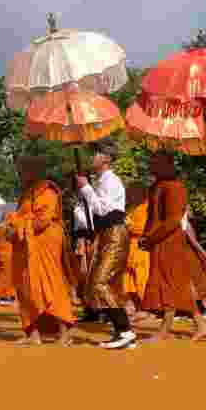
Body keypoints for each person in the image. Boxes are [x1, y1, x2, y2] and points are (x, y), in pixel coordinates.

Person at [2, 156, 76, 346]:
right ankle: (33, 334)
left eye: (23, 169)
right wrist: (12, 227)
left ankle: (64, 331)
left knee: (50, 283)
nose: (20, 174)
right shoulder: (27, 192)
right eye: (19, 170)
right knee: (27, 286)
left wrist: (17, 226)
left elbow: (43, 219)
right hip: (26, 244)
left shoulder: (47, 190)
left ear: (35, 170)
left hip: (45, 241)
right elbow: (19, 217)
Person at [138, 152, 206, 343]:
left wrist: (151, 238)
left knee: (169, 283)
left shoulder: (175, 187)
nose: (151, 166)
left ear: (168, 164)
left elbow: (173, 220)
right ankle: (200, 325)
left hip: (170, 242)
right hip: (159, 241)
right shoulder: (157, 186)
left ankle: (165, 330)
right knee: (174, 283)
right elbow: (152, 216)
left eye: (156, 162)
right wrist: (146, 237)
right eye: (151, 161)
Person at [78, 140, 135, 350]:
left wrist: (86, 189)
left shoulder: (110, 180)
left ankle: (125, 330)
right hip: (106, 234)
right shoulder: (101, 180)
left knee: (100, 283)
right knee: (103, 283)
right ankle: (122, 331)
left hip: (115, 234)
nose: (91, 158)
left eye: (95, 154)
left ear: (107, 159)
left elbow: (103, 210)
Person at [123, 183, 151, 324]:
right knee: (129, 281)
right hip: (129, 247)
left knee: (142, 278)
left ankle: (147, 309)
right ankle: (137, 307)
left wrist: (129, 225)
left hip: (141, 247)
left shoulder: (147, 207)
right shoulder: (131, 208)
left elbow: (144, 229)